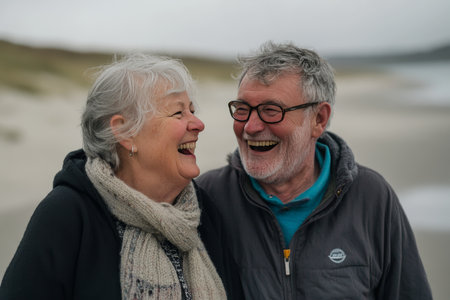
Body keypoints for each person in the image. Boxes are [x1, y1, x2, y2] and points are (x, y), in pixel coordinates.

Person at [196, 41, 432, 299]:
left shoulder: (372, 197)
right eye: (242, 109)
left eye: (271, 111)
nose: (250, 126)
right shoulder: (208, 197)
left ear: (318, 119)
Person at [0, 54, 227, 300]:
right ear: (125, 131)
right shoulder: (67, 214)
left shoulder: (202, 211)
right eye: (178, 113)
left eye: (192, 110)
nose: (198, 124)